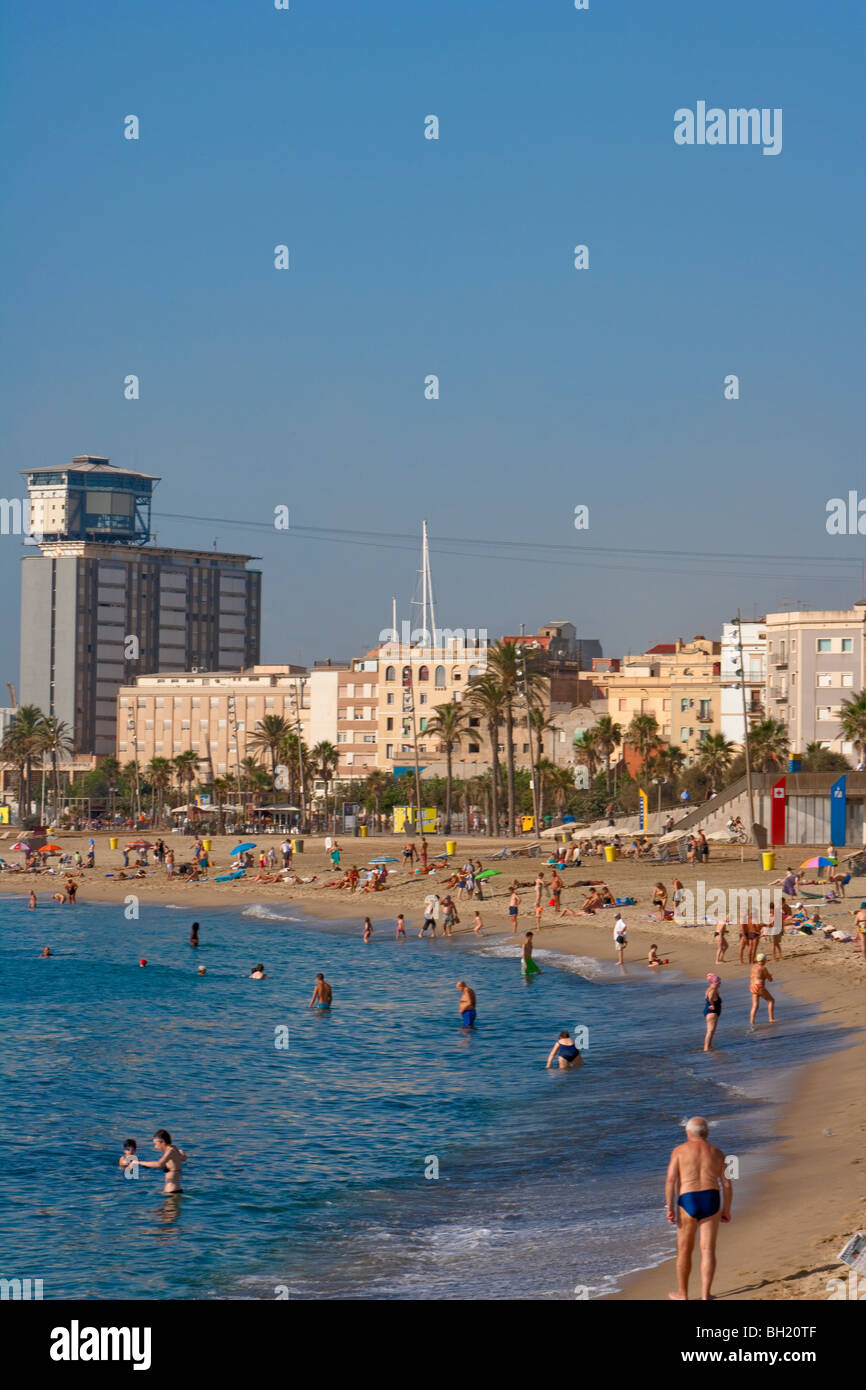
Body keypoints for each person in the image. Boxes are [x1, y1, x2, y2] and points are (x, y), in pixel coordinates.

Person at [664, 1117, 732, 1301]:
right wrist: (726, 1209)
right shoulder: (718, 1153)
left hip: (688, 1199)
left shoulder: (679, 1151)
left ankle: (683, 1294)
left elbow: (671, 1180)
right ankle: (705, 1295)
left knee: (685, 1249)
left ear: (688, 1133)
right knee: (708, 1249)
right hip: (711, 1198)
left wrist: (669, 1206)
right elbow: (726, 1183)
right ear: (707, 1133)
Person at [136, 1129, 187, 1194]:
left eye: (155, 1144)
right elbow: (184, 1158)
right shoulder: (174, 1148)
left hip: (172, 1192)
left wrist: (139, 1162)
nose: (155, 1147)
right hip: (175, 1190)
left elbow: (159, 1164)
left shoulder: (170, 1151)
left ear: (163, 1142)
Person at [749, 954, 775, 1026]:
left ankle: (752, 1022)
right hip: (759, 986)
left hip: (752, 986)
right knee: (771, 1000)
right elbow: (770, 979)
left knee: (755, 1005)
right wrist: (770, 976)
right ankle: (771, 1018)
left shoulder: (753, 967)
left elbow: (757, 976)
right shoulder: (763, 968)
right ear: (764, 960)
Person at [703, 974, 722, 1051]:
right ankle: (706, 1048)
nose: (720, 983)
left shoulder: (711, 988)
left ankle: (709, 1046)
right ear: (716, 983)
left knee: (711, 1031)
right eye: (719, 982)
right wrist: (712, 1005)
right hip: (712, 1013)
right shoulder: (713, 990)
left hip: (711, 1012)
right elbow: (710, 998)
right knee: (710, 1031)